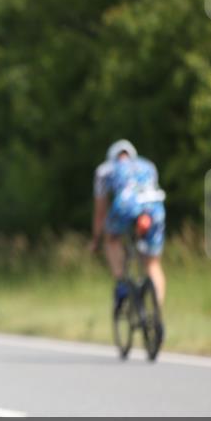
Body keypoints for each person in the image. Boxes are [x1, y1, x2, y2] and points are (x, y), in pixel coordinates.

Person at [90, 139, 167, 324]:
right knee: (153, 264)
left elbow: (101, 211)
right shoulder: (148, 165)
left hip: (125, 206)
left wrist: (96, 239)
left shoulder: (105, 169)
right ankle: (155, 316)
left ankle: (121, 283)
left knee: (112, 239)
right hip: (154, 209)